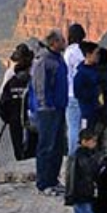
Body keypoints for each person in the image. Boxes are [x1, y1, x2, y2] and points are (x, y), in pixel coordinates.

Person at [31, 31, 70, 194]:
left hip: (60, 107)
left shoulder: (58, 58)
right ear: (54, 42)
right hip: (48, 110)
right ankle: (43, 183)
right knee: (46, 146)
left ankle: (53, 179)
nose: (65, 42)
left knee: (58, 146)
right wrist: (45, 104)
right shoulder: (43, 60)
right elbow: (40, 85)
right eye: (62, 40)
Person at [60, 129, 103, 213]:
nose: (95, 143)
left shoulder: (84, 154)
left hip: (83, 192)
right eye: (93, 141)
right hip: (80, 194)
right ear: (84, 141)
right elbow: (90, 171)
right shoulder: (81, 156)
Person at [0, 44, 34, 162]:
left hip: (14, 118)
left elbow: (4, 100)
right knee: (31, 145)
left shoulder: (10, 79)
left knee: (18, 145)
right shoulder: (33, 79)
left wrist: (6, 117)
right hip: (31, 118)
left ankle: (21, 160)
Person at [72, 44, 106, 147]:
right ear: (88, 54)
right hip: (88, 111)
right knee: (87, 138)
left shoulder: (97, 70)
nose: (98, 56)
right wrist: (95, 93)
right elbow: (78, 93)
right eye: (96, 53)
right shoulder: (81, 74)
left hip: (99, 111)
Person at [62, 23, 87, 153]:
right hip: (83, 93)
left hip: (71, 94)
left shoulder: (70, 52)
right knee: (83, 126)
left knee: (72, 127)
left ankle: (73, 154)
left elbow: (67, 75)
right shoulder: (83, 52)